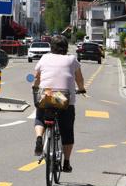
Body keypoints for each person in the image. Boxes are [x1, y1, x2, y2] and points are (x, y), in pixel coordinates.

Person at [32, 34, 86, 172]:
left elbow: (37, 77)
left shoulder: (44, 58)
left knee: (40, 117)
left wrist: (35, 87)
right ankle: (66, 162)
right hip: (64, 99)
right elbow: (79, 79)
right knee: (67, 131)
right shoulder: (72, 60)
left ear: (51, 47)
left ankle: (39, 137)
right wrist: (81, 89)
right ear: (66, 48)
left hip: (47, 95)